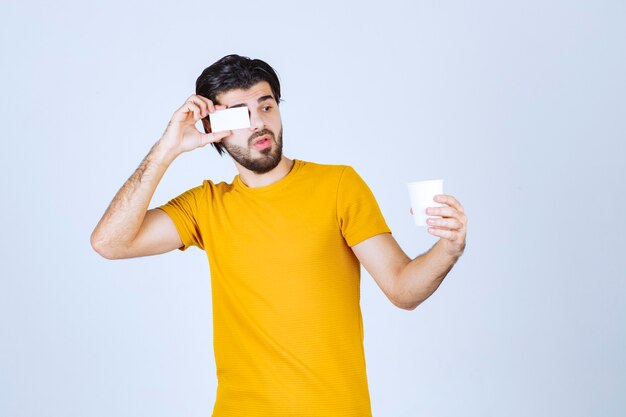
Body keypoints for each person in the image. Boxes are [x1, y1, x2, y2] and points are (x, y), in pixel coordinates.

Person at [91, 54, 467, 417]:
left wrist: (448, 248)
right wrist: (167, 148)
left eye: (266, 106)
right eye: (240, 114)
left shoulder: (338, 185)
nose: (259, 123)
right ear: (212, 129)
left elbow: (403, 289)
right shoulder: (205, 206)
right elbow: (109, 242)